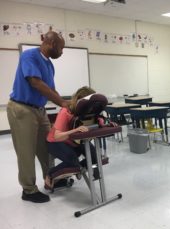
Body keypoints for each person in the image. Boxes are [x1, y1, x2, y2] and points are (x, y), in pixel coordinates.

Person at [6, 31, 69, 203]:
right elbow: (36, 82)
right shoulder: (29, 56)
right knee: (26, 151)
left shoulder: (49, 64)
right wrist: (62, 103)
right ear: (51, 43)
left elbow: (51, 90)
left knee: (49, 146)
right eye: (61, 48)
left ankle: (52, 178)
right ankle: (29, 190)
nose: (62, 52)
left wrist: (66, 103)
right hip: (22, 109)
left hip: (40, 110)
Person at [45, 86, 100, 189]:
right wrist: (75, 130)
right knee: (72, 162)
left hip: (73, 141)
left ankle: (78, 169)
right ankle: (50, 175)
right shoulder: (65, 111)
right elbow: (57, 136)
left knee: (95, 157)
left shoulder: (84, 112)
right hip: (55, 142)